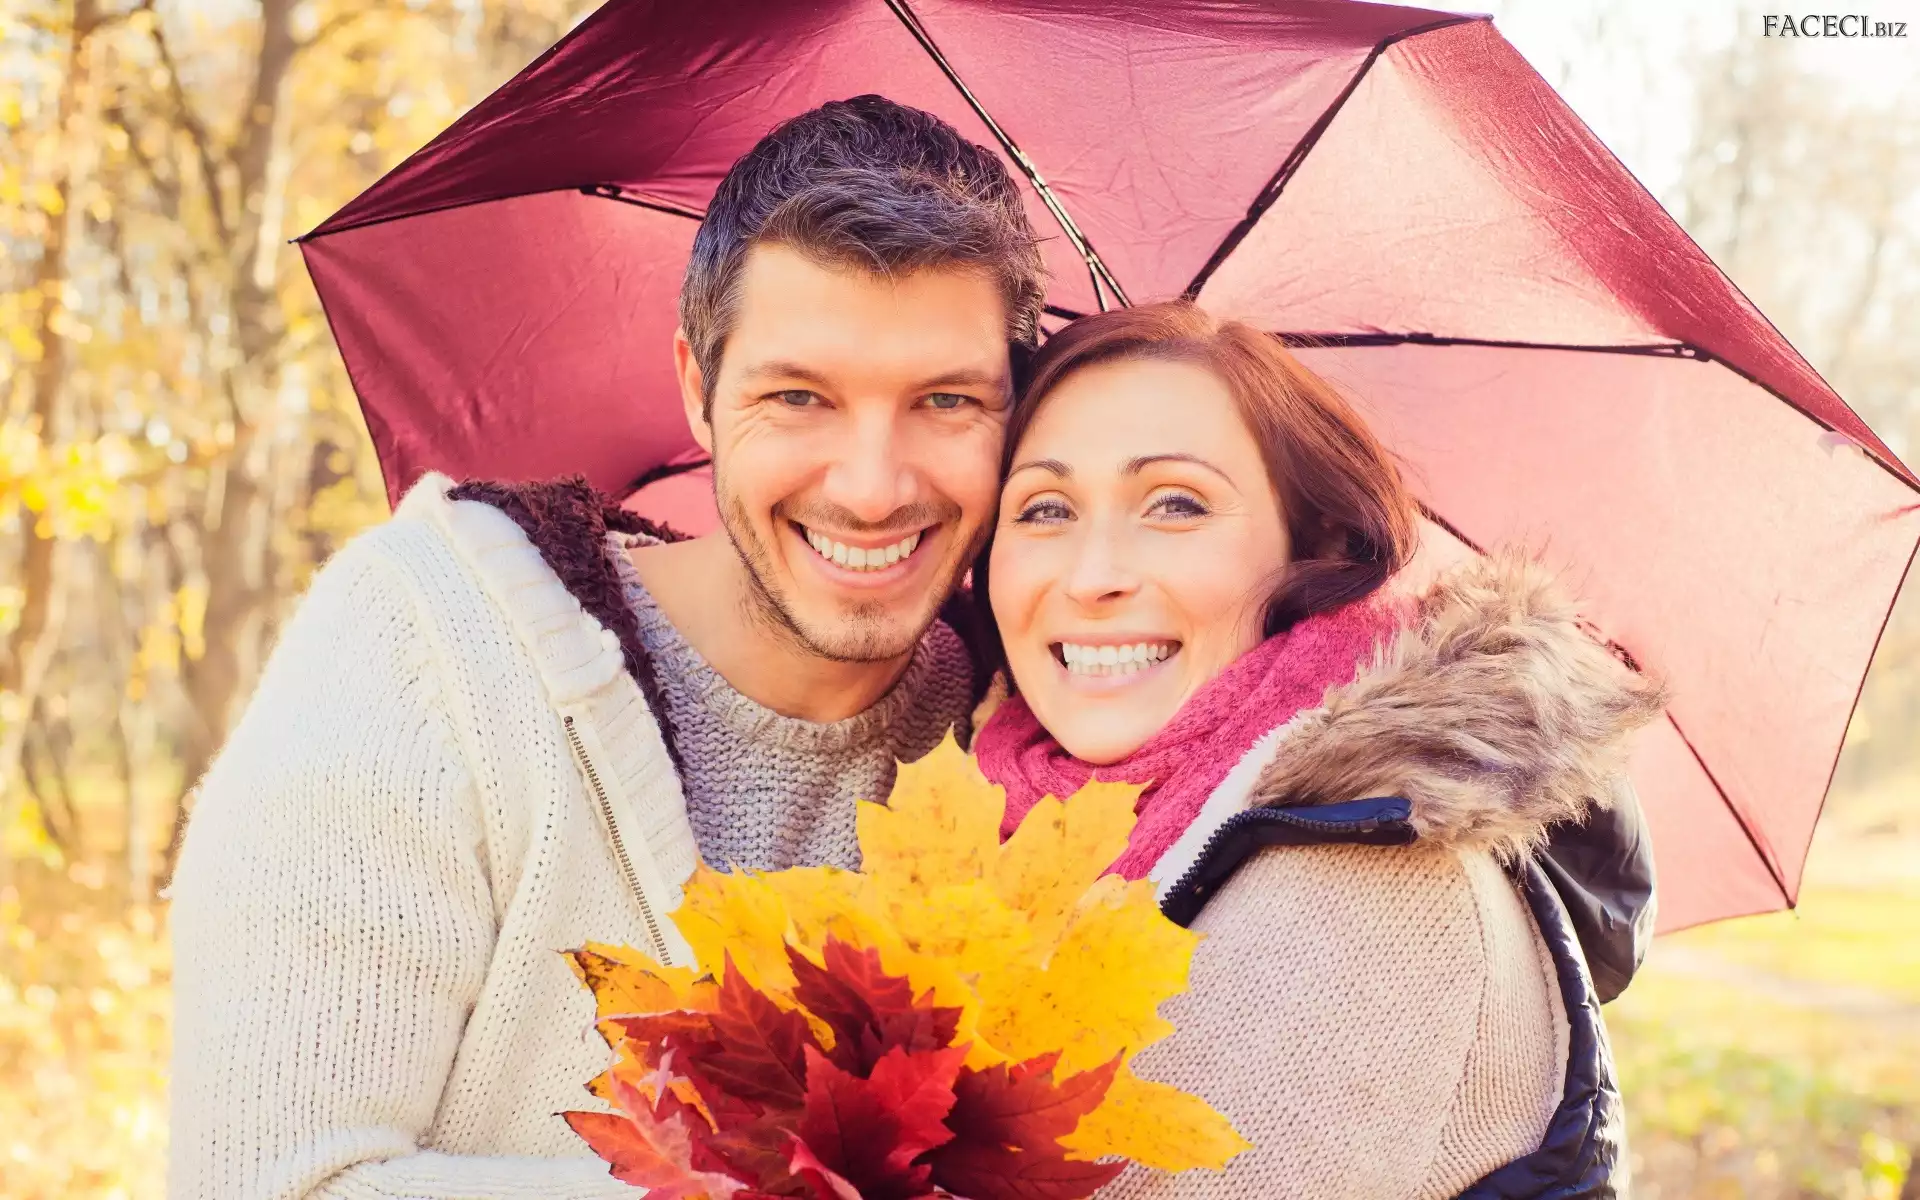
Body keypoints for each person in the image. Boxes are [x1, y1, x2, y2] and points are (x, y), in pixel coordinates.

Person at [165, 96, 1040, 1199]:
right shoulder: (432, 645)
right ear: (698, 390)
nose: (872, 487)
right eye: (799, 397)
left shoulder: (1034, 741)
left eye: (946, 401)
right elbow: (268, 1182)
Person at [971, 301, 1667, 1198]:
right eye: (1044, 508)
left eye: (1175, 504)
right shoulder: (992, 815)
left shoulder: (1378, 875)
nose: (1092, 574)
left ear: (1318, 549)